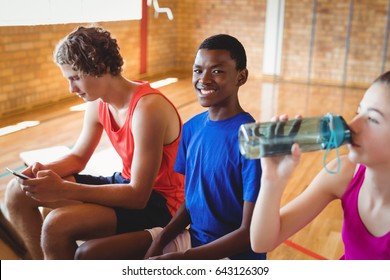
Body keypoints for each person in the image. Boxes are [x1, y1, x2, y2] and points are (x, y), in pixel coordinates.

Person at [74, 34, 266, 260]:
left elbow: (249, 234)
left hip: (233, 255)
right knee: (87, 253)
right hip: (194, 238)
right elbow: (191, 200)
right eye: (197, 70)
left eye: (217, 71)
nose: (203, 79)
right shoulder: (192, 128)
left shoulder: (252, 139)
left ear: (241, 77)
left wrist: (183, 259)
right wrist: (161, 240)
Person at [4, 25, 184, 260]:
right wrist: (40, 171)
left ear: (100, 67)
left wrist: (63, 188)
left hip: (158, 203)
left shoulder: (148, 109)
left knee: (56, 225)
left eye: (75, 78)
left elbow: (138, 195)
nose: (71, 88)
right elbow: (78, 157)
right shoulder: (97, 103)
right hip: (125, 184)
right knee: (17, 191)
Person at [250, 71, 390, 260]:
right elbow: (262, 243)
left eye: (373, 119)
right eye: (359, 112)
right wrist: (272, 180)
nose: (352, 125)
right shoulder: (344, 172)